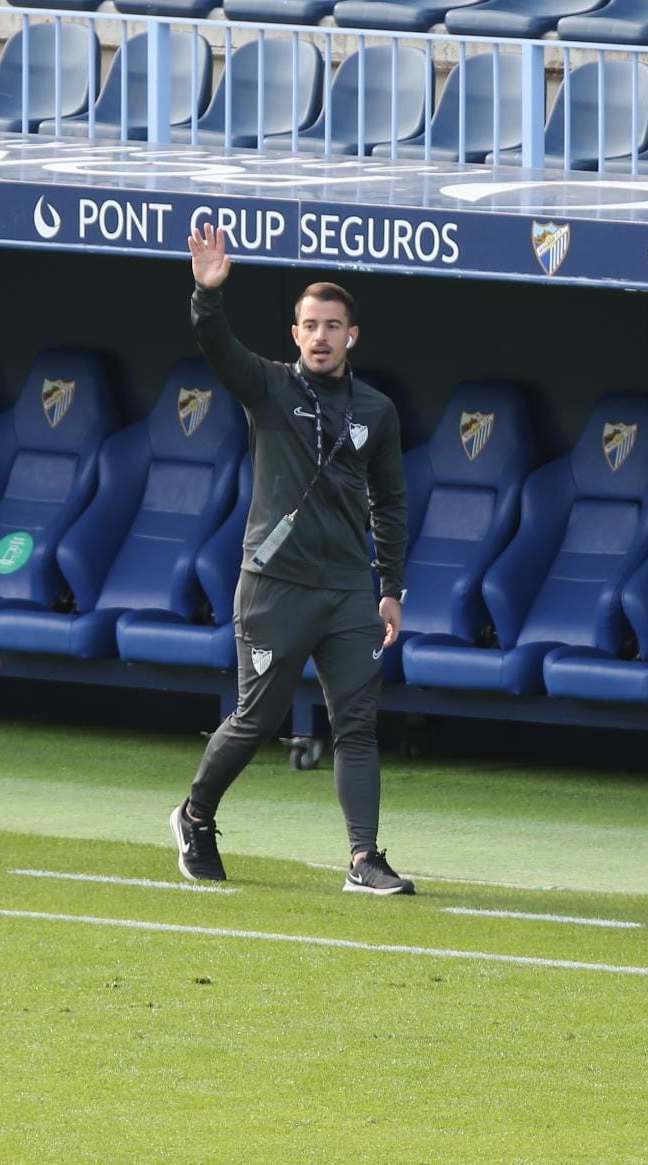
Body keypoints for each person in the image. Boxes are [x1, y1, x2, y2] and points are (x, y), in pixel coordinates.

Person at [170, 223, 414, 895]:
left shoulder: (378, 410)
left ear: (352, 335)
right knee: (257, 719)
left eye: (333, 325)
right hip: (273, 584)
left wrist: (390, 587)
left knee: (357, 725)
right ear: (295, 333)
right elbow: (216, 347)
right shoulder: (269, 387)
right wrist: (207, 293)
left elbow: (389, 503)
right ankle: (195, 815)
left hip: (345, 592)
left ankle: (364, 859)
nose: (321, 336)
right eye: (310, 325)